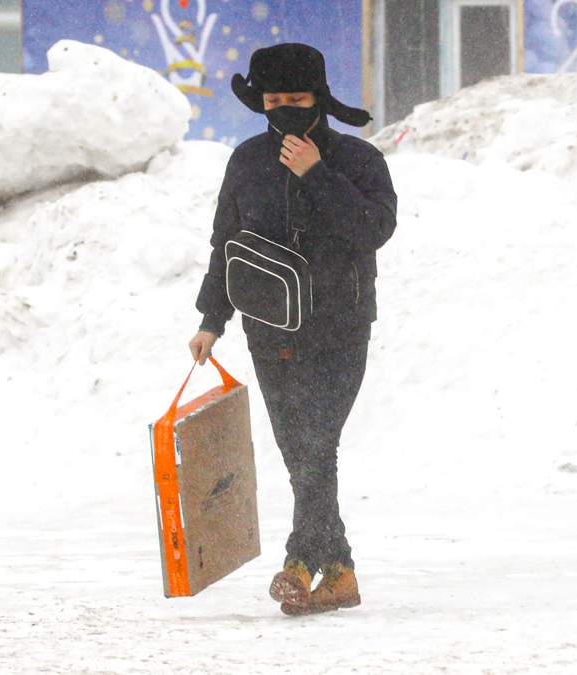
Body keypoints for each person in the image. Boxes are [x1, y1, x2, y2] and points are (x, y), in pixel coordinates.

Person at [187, 43, 397, 615]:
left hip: (340, 326)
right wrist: (212, 319)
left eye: (296, 99)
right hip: (268, 329)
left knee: (316, 444)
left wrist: (316, 174)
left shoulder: (357, 160)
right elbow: (226, 244)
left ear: (319, 100)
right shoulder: (246, 160)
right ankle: (340, 571)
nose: (283, 110)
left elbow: (373, 228)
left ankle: (298, 564)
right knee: (299, 448)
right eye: (273, 100)